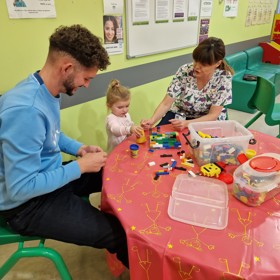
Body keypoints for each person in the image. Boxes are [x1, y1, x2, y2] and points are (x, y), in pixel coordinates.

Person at [0, 25, 128, 268]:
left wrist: (79, 148)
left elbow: (52, 135)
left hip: (49, 179)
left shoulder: (45, 89)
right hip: (27, 205)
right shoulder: (26, 110)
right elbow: (20, 189)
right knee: (120, 236)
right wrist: (79, 167)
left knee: (115, 169)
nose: (87, 85)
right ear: (67, 68)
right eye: (87, 78)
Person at [141, 37, 234, 131]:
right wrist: (152, 120)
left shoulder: (223, 78)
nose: (196, 67)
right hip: (181, 113)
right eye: (195, 60)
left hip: (206, 119)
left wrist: (186, 124)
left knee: (198, 142)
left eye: (203, 65)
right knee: (160, 134)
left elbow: (213, 115)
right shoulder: (184, 71)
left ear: (217, 63)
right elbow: (166, 103)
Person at [106, 79, 143, 153]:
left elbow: (129, 125)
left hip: (126, 148)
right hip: (115, 152)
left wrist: (137, 128)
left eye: (127, 106)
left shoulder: (126, 115)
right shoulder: (111, 118)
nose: (125, 110)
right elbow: (115, 130)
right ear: (109, 105)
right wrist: (129, 129)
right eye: (120, 107)